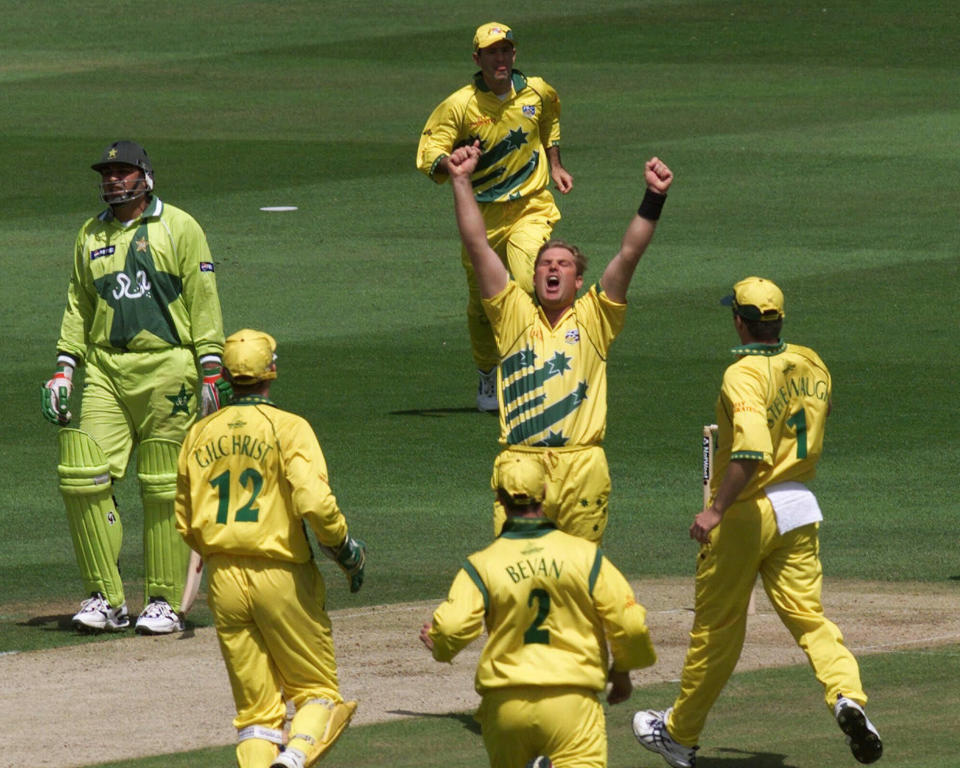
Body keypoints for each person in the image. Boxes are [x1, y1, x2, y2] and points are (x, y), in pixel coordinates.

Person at [632, 277, 883, 767]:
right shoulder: (813, 361)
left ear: (739, 321)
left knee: (718, 630)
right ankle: (847, 696)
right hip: (800, 505)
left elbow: (750, 449)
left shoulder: (741, 374)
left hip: (747, 513)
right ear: (779, 320)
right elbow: (820, 411)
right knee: (811, 620)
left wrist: (716, 509)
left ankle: (679, 736)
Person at [41, 139, 229, 635]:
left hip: (170, 367)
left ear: (145, 177)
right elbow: (78, 306)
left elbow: (204, 297)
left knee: (164, 483)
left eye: (122, 172)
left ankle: (163, 600)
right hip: (106, 368)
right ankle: (106, 597)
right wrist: (65, 369)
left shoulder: (180, 226)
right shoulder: (89, 234)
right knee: (83, 474)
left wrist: (212, 367)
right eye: (106, 173)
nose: (112, 180)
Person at [447, 140, 673, 542]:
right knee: (515, 577)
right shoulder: (512, 312)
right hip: (520, 465)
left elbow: (629, 254)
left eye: (563, 265)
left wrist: (654, 197)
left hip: (581, 467)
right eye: (545, 265)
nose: (553, 269)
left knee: (578, 579)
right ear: (533, 279)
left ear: (579, 280)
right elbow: (478, 245)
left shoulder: (595, 317)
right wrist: (461, 182)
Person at [175, 329, 366, 768]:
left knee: (256, 715)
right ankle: (294, 759)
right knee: (318, 694)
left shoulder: (198, 434)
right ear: (271, 371)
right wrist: (345, 551)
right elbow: (314, 503)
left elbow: (185, 521)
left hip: (223, 579)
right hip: (282, 576)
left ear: (224, 376)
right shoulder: (289, 428)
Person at [419, 454, 657, 768]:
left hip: (505, 706)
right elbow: (629, 623)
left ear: (500, 500)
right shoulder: (586, 557)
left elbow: (451, 628)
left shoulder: (482, 564)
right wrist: (624, 670)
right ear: (545, 492)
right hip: (571, 702)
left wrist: (441, 644)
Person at [417, 22, 574, 411]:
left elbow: (550, 118)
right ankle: (489, 374)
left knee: (526, 283)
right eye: (492, 53)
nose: (500, 58)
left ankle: (526, 372)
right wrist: (448, 162)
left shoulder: (537, 91)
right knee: (483, 306)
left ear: (514, 55)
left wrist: (555, 164)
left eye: (506, 51)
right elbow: (428, 150)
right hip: (481, 217)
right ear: (478, 59)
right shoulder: (460, 105)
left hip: (530, 207)